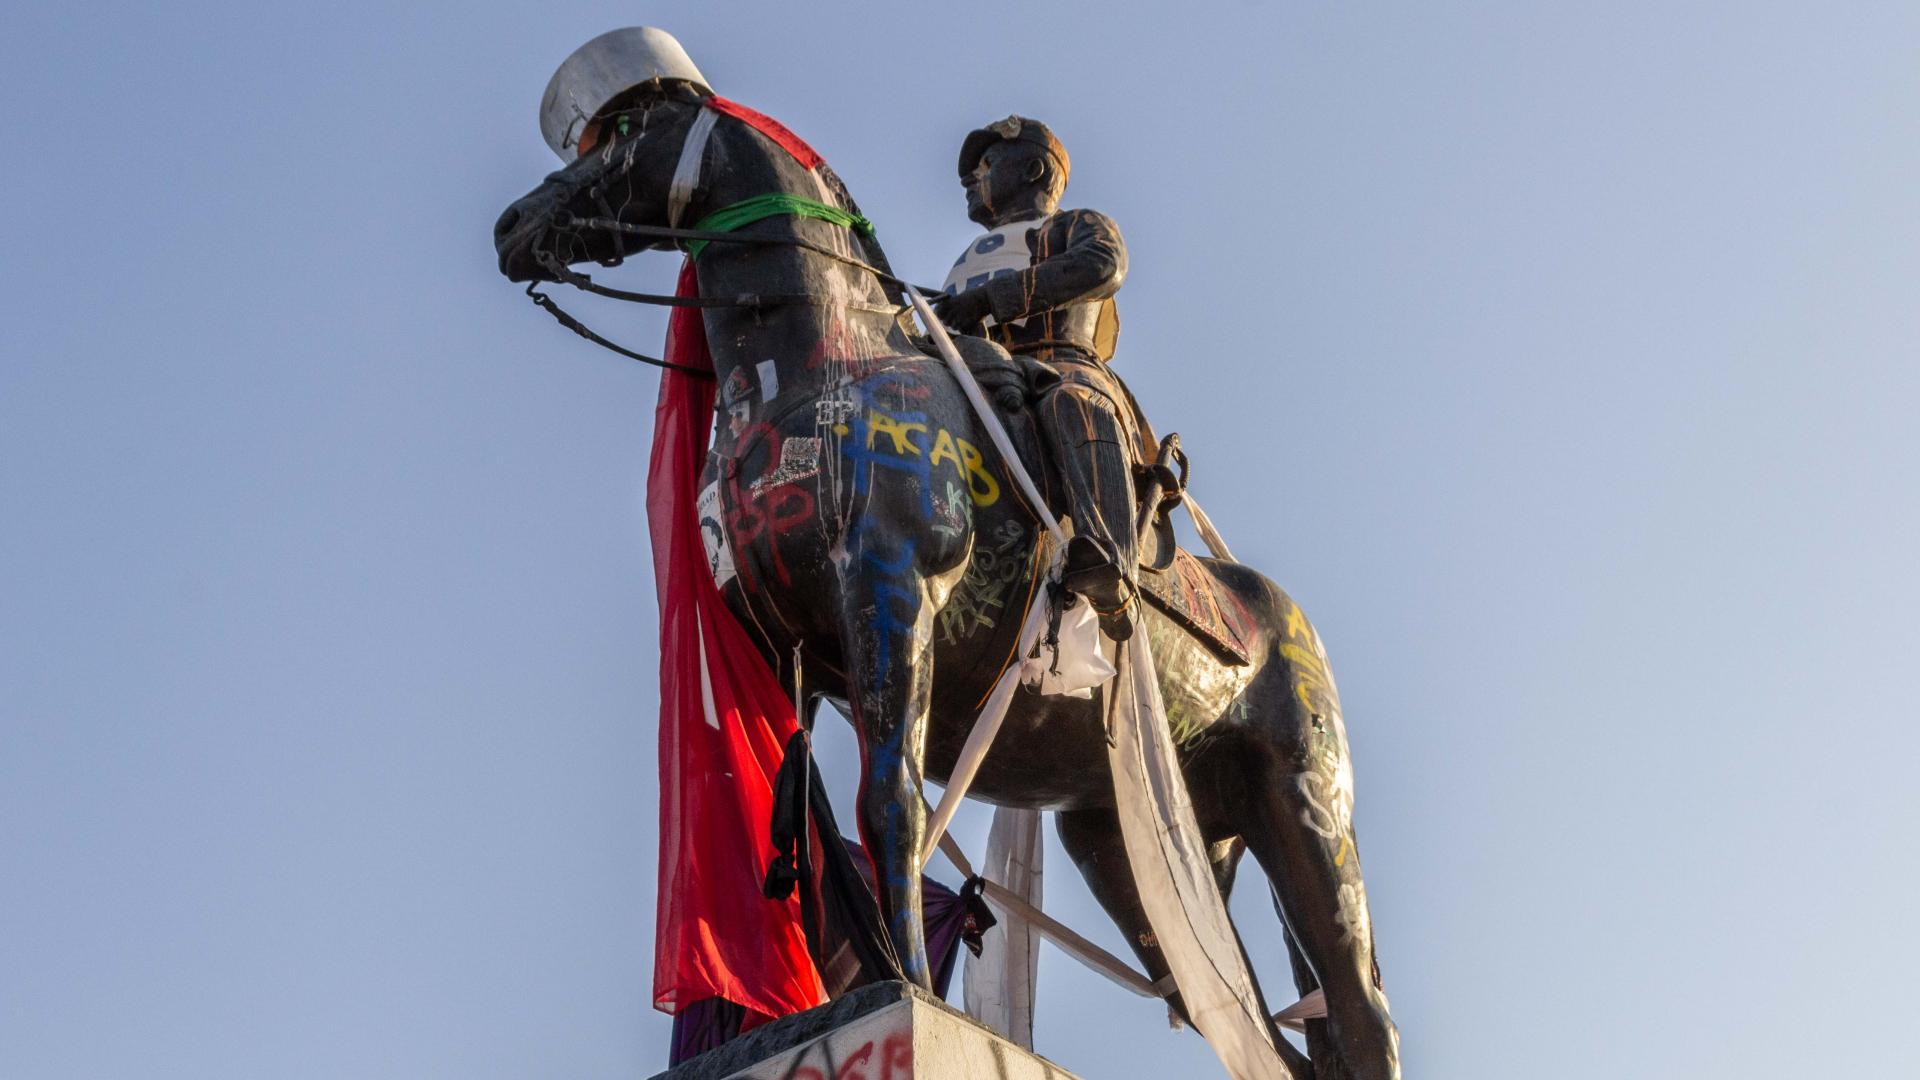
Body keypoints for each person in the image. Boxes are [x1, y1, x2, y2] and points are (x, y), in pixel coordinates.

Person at [931, 116, 1141, 638]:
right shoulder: (967, 258)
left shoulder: (1075, 225)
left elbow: (1101, 266)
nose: (970, 181)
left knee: (1074, 400)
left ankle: (1110, 561)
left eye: (986, 166)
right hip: (979, 372)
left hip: (1060, 361)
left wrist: (993, 299)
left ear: (1033, 169)